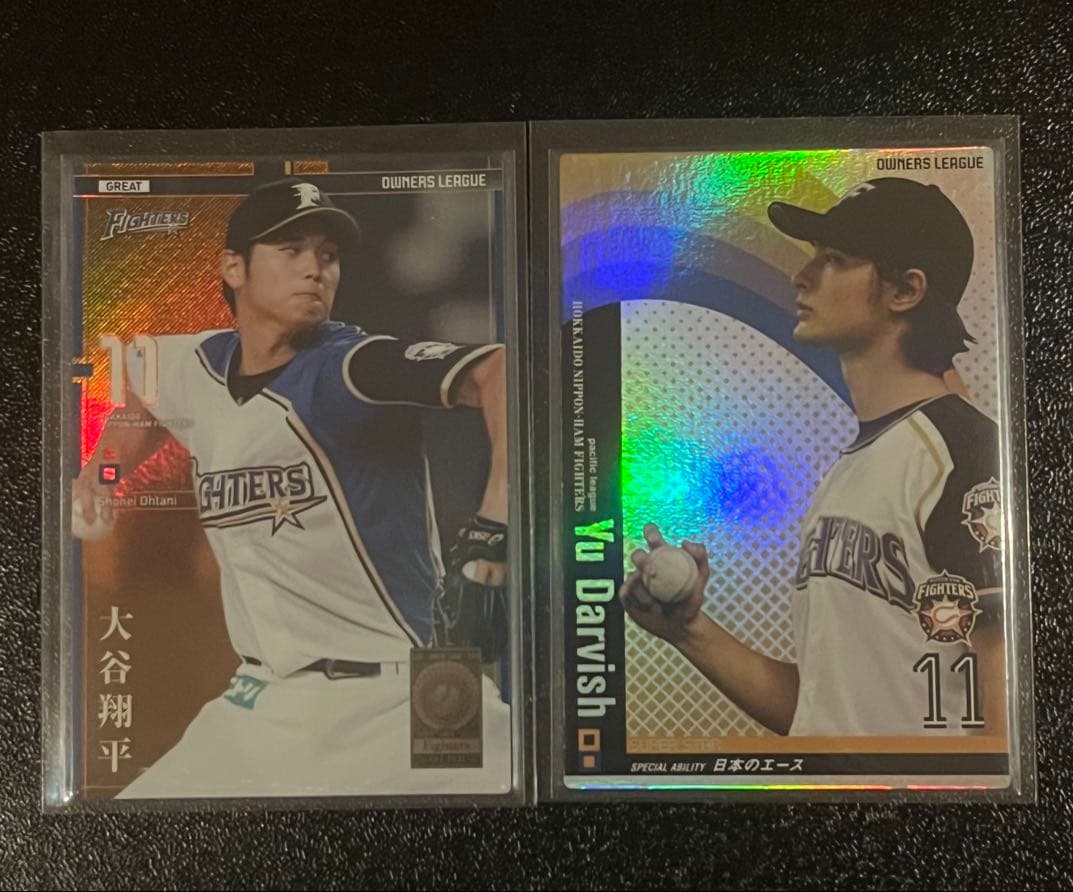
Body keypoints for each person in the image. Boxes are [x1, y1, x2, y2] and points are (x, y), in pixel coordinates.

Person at [73, 178, 511, 797]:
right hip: (264, 702)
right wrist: (103, 475)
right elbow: (143, 396)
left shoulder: (351, 364)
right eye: (291, 250)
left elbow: (499, 371)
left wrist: (495, 522)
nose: (315, 269)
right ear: (234, 268)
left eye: (327, 255)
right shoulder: (198, 364)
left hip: (413, 693)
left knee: (502, 828)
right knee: (125, 838)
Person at [620, 178, 1005, 738]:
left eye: (835, 259)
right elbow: (822, 713)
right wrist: (687, 630)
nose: (801, 276)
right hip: (837, 790)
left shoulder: (963, 456)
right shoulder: (857, 464)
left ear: (906, 290)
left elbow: (1005, 725)